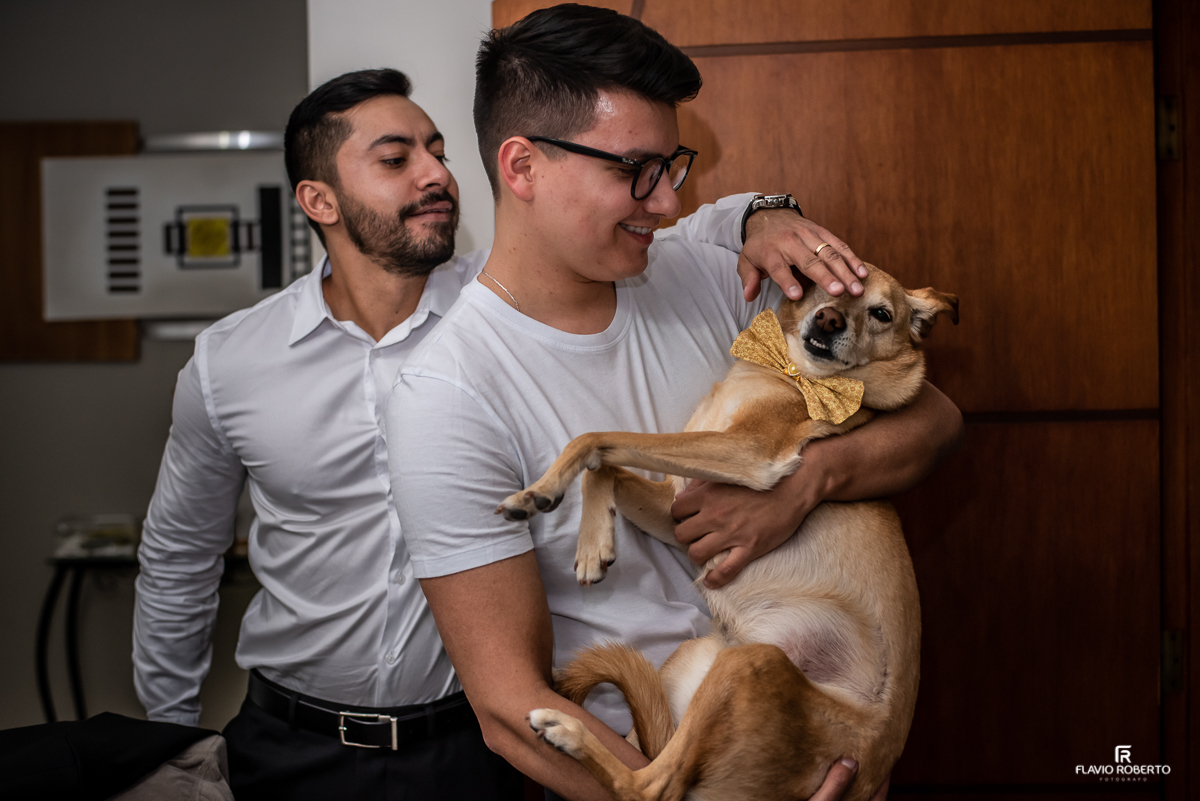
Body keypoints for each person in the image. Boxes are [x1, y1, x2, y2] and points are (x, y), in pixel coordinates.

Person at [132, 65, 872, 800]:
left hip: (476, 745)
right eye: (395, 159)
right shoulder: (231, 363)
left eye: (437, 150)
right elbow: (178, 558)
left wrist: (763, 215)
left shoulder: (508, 308)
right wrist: (166, 743)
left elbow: (680, 231)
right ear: (318, 199)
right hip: (292, 742)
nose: (436, 174)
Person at [387, 6, 963, 801]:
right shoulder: (447, 395)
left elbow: (934, 422)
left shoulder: (708, 277)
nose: (663, 202)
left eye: (672, 165)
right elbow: (509, 706)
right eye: (636, 170)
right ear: (522, 167)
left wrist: (803, 485)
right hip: (640, 764)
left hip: (799, 730)